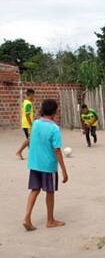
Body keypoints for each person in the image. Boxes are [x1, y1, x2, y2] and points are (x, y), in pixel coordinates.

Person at [22, 99, 69, 231]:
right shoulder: (54, 128)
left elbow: (31, 140)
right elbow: (57, 150)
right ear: (55, 112)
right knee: (50, 191)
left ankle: (27, 217)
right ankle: (50, 220)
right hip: (48, 166)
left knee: (34, 190)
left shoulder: (36, 123)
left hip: (34, 163)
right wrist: (64, 171)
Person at [16, 89, 35, 160]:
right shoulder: (28, 104)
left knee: (31, 139)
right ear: (30, 95)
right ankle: (19, 151)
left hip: (25, 123)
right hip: (27, 124)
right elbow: (27, 114)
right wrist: (31, 124)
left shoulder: (25, 102)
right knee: (30, 139)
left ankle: (32, 154)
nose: (34, 97)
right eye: (33, 96)